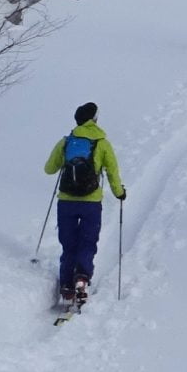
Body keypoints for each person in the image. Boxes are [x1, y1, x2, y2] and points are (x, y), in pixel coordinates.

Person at [43, 102, 125, 311]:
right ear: (94, 120)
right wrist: (119, 193)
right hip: (91, 202)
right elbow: (112, 172)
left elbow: (49, 169)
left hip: (66, 201)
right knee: (88, 242)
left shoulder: (66, 141)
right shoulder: (102, 143)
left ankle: (67, 287)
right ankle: (82, 278)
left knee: (69, 244)